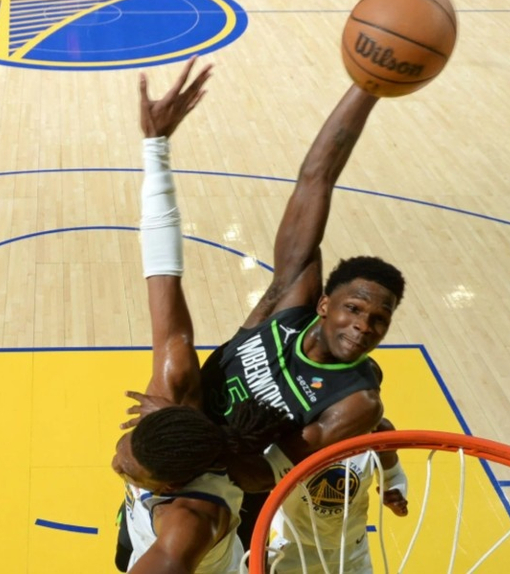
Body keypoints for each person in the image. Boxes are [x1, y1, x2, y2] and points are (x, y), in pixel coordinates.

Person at [124, 78, 410, 572]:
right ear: (324, 303)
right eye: (355, 309)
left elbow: (265, 476)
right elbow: (316, 177)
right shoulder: (287, 303)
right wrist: (368, 85)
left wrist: (190, 432)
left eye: (379, 321)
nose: (364, 327)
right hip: (174, 448)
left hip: (231, 488)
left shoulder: (355, 402)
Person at [111, 56, 292, 574]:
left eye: (129, 469)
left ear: (170, 486)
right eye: (129, 450)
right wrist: (155, 148)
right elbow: (162, 272)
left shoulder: (188, 520)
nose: (117, 460)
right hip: (139, 530)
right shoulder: (174, 391)